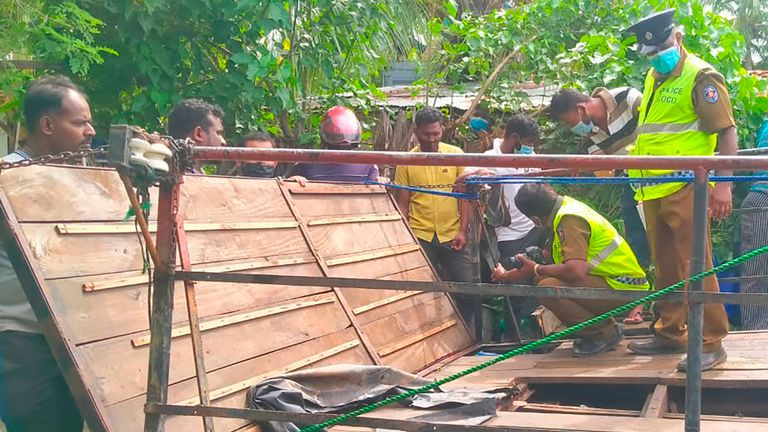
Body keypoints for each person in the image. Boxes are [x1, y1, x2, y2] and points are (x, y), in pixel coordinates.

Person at [624, 9, 737, 371]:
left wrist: (724, 185)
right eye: (652, 53)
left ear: (678, 38)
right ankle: (669, 332)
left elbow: (726, 131)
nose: (659, 57)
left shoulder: (700, 75)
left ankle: (711, 341)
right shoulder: (652, 77)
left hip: (688, 187)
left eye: (664, 48)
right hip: (653, 190)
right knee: (666, 266)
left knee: (696, 266)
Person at [0, 75, 93, 432]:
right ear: (47, 124)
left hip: (65, 335)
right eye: (80, 122)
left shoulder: (70, 177)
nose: (90, 130)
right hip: (19, 336)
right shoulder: (9, 177)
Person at [493, 184, 650, 357]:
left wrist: (537, 268)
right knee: (543, 280)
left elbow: (575, 271)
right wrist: (509, 275)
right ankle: (602, 330)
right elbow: (546, 261)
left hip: (623, 288)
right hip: (617, 282)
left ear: (536, 220)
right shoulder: (566, 209)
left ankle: (602, 334)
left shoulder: (569, 220)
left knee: (547, 288)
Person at [548, 87, 651, 324]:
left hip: (661, 179)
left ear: (581, 109)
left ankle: (676, 310)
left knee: (668, 243)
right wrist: (581, 167)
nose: (571, 128)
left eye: (569, 122)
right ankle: (638, 307)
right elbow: (607, 171)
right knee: (636, 242)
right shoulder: (591, 134)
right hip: (632, 184)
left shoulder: (629, 98)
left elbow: (658, 128)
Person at [394, 107, 474, 322]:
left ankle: (468, 336)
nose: (431, 139)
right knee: (419, 290)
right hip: (421, 234)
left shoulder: (455, 155)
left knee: (468, 289)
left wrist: (463, 231)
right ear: (416, 132)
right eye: (425, 134)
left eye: (435, 134)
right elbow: (403, 203)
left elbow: (464, 198)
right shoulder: (407, 160)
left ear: (442, 130)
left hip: (452, 233)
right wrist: (406, 237)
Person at [287, 106, 380, 184]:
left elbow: (376, 190)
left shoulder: (367, 165)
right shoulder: (306, 163)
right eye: (337, 137)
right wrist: (293, 180)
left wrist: (380, 182)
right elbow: (288, 186)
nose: (344, 141)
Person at [738, 117, 768, 330]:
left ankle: (755, 327)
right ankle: (755, 329)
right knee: (754, 268)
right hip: (762, 195)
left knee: (754, 268)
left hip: (759, 196)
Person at [167, 98, 226, 174]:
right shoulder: (181, 177)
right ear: (198, 134)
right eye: (218, 133)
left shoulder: (160, 170)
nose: (223, 141)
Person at [221, 131, 288, 178]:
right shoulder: (226, 188)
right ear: (238, 160)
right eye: (254, 157)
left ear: (275, 162)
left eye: (267, 157)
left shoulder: (284, 188)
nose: (261, 162)